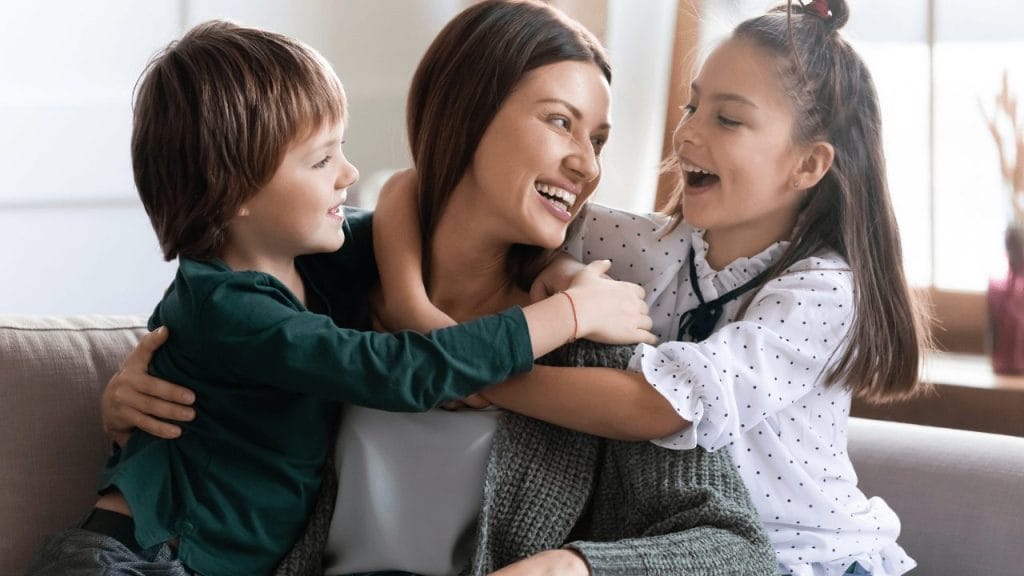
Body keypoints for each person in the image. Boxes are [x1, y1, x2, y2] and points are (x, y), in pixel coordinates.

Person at [100, 2, 777, 575]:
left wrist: (576, 566)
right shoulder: (329, 284)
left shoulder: (592, 335)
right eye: (560, 121)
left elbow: (736, 549)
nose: (587, 164)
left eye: (599, 140)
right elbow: (224, 330)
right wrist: (128, 386)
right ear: (467, 113)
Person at [372, 0, 933, 575]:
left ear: (808, 164)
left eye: (728, 119)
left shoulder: (824, 293)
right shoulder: (650, 244)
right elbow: (419, 186)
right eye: (692, 105)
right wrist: (411, 305)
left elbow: (659, 407)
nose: (687, 131)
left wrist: (468, 366)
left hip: (814, 561)